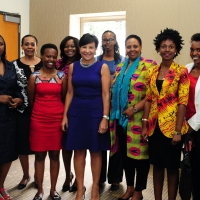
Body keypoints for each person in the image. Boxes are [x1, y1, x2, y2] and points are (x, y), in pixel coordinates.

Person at [141, 28, 189, 200]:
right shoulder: (152, 71)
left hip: (172, 128)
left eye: (171, 47)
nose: (167, 50)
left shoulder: (181, 71)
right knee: (157, 166)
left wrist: (177, 131)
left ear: (176, 49)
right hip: (154, 127)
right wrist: (145, 125)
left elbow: (183, 101)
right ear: (158, 48)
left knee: (172, 167)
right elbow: (148, 99)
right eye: (163, 46)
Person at [61, 33, 110, 200]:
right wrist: (65, 117)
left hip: (96, 113)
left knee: (96, 152)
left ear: (96, 49)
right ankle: (80, 190)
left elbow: (106, 94)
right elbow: (69, 93)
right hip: (76, 112)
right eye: (84, 47)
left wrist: (105, 117)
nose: (87, 50)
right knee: (78, 151)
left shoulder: (102, 67)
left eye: (91, 47)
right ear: (79, 49)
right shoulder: (73, 66)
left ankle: (95, 188)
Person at [110, 34, 157, 200]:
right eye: (129, 47)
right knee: (126, 157)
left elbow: (152, 94)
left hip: (140, 119)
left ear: (141, 47)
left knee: (141, 158)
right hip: (121, 121)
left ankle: (138, 191)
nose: (132, 49)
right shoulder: (119, 67)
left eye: (135, 46)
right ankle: (129, 188)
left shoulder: (150, 66)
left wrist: (135, 109)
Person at [27, 43, 67, 200]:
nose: (51, 59)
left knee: (55, 156)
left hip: (57, 120)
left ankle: (53, 189)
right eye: (48, 56)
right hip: (39, 120)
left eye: (54, 56)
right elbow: (31, 100)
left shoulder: (62, 76)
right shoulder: (34, 76)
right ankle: (40, 190)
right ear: (42, 56)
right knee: (39, 156)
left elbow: (64, 98)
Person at [12, 34, 43, 190]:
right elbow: (11, 86)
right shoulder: (14, 65)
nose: (30, 47)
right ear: (22, 47)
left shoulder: (45, 63)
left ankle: (39, 176)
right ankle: (26, 175)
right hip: (22, 110)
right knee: (23, 144)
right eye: (26, 44)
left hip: (42, 110)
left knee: (39, 144)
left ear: (36, 46)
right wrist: (16, 99)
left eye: (33, 44)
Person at [97, 30, 125, 190]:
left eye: (111, 39)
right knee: (100, 143)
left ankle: (115, 178)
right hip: (99, 107)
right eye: (105, 40)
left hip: (118, 110)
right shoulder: (96, 61)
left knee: (117, 144)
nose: (107, 42)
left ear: (115, 41)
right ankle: (99, 178)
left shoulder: (123, 61)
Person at [56, 36, 81, 193]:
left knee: (79, 146)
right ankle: (67, 176)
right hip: (61, 107)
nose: (69, 49)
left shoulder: (82, 63)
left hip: (79, 107)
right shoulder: (58, 63)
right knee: (66, 146)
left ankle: (79, 179)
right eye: (66, 46)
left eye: (73, 46)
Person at [0, 35, 23, 200]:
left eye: (0, 43)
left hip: (8, 116)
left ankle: (1, 186)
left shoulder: (10, 66)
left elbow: (16, 88)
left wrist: (19, 98)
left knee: (7, 153)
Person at [185, 33, 200, 200]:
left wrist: (192, 126)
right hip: (187, 127)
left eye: (199, 50)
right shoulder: (186, 69)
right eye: (192, 49)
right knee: (193, 168)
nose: (195, 53)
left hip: (196, 126)